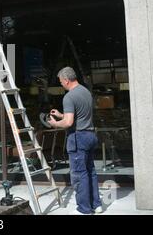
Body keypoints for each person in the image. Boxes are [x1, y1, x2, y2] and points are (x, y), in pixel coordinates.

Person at [47, 66, 103, 215]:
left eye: (60, 81)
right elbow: (79, 115)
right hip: (90, 134)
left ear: (66, 80)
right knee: (90, 171)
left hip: (79, 137)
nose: (60, 84)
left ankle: (84, 209)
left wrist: (55, 123)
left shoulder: (69, 97)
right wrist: (61, 115)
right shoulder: (86, 92)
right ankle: (96, 205)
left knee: (79, 174)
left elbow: (68, 123)